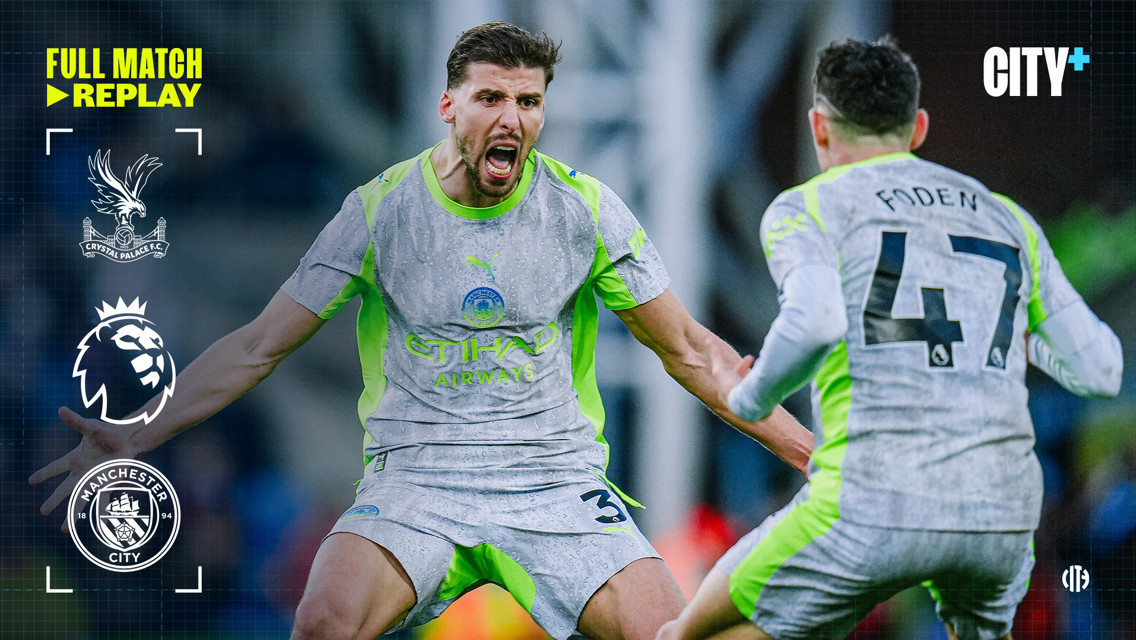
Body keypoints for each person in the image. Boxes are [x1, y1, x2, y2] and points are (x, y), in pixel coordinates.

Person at [31, 22, 813, 640]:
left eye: (529, 102)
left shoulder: (586, 212)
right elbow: (258, 345)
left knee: (671, 631)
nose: (512, 119)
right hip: (416, 488)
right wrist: (138, 431)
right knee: (322, 621)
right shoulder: (379, 213)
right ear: (449, 107)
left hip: (554, 488)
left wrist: (815, 458)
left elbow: (692, 351)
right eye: (491, 98)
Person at [656, 37, 1123, 640]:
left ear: (819, 128)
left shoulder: (808, 206)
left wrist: (747, 397)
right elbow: (1101, 371)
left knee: (691, 631)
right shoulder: (1008, 217)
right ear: (918, 127)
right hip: (1002, 514)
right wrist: (1025, 344)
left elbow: (815, 319)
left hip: (872, 501)